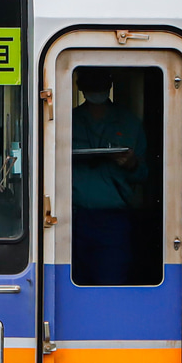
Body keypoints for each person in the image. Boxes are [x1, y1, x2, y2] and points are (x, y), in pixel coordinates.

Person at [71, 68, 148, 285]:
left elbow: (145, 175)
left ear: (110, 84)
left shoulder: (129, 123)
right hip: (71, 218)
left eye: (100, 81)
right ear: (80, 86)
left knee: (111, 282)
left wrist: (132, 164)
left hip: (113, 220)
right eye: (90, 81)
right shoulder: (66, 122)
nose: (96, 87)